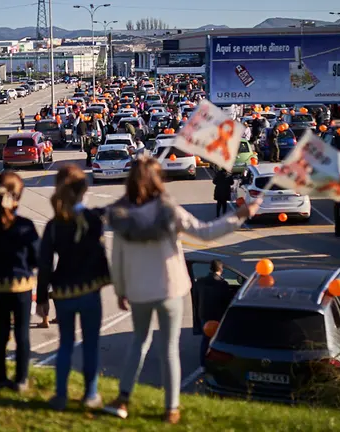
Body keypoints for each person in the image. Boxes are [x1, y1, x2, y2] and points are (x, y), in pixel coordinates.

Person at [104, 157, 260, 424]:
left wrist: (120, 290)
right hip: (170, 287)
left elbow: (117, 258)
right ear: (157, 180)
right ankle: (171, 408)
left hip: (139, 289)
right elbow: (206, 232)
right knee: (169, 349)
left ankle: (123, 399)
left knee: (138, 344)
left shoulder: (121, 217)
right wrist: (241, 215)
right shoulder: (169, 210)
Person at [36, 164, 111, 411]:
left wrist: (42, 297)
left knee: (65, 343)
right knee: (90, 343)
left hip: (63, 293)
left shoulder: (54, 224)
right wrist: (107, 278)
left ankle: (60, 394)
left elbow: (45, 262)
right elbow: (100, 253)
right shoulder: (92, 219)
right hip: (89, 290)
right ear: (84, 190)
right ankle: (90, 394)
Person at [0, 171, 39, 392]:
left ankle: (0, 377)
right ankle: (20, 379)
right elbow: (37, 258)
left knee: (0, 333)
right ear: (17, 197)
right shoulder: (25, 225)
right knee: (22, 334)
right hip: (22, 286)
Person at [191, 260, 236, 369]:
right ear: (221, 269)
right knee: (218, 340)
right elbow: (226, 301)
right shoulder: (222, 284)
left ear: (210, 269)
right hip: (217, 316)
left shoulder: (200, 282)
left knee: (205, 339)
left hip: (204, 315)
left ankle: (203, 363)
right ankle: (217, 363)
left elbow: (195, 299)